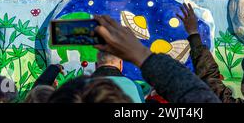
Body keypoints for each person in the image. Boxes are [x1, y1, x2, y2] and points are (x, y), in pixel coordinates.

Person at [93, 15, 221, 103]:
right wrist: (142, 55)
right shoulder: (132, 86)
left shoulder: (79, 88)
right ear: (121, 64)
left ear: (96, 64)